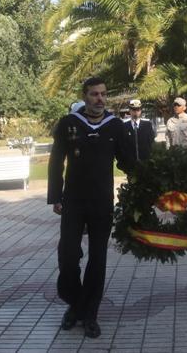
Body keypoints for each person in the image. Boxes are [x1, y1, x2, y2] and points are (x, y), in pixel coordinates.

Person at [47, 77, 135, 338]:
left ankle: (89, 313)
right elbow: (56, 161)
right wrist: (55, 196)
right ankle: (75, 303)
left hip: (101, 202)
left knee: (98, 259)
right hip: (73, 200)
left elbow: (127, 162)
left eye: (103, 94)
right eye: (94, 94)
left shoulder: (115, 126)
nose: (100, 99)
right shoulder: (69, 123)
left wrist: (147, 181)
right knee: (68, 255)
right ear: (84, 96)